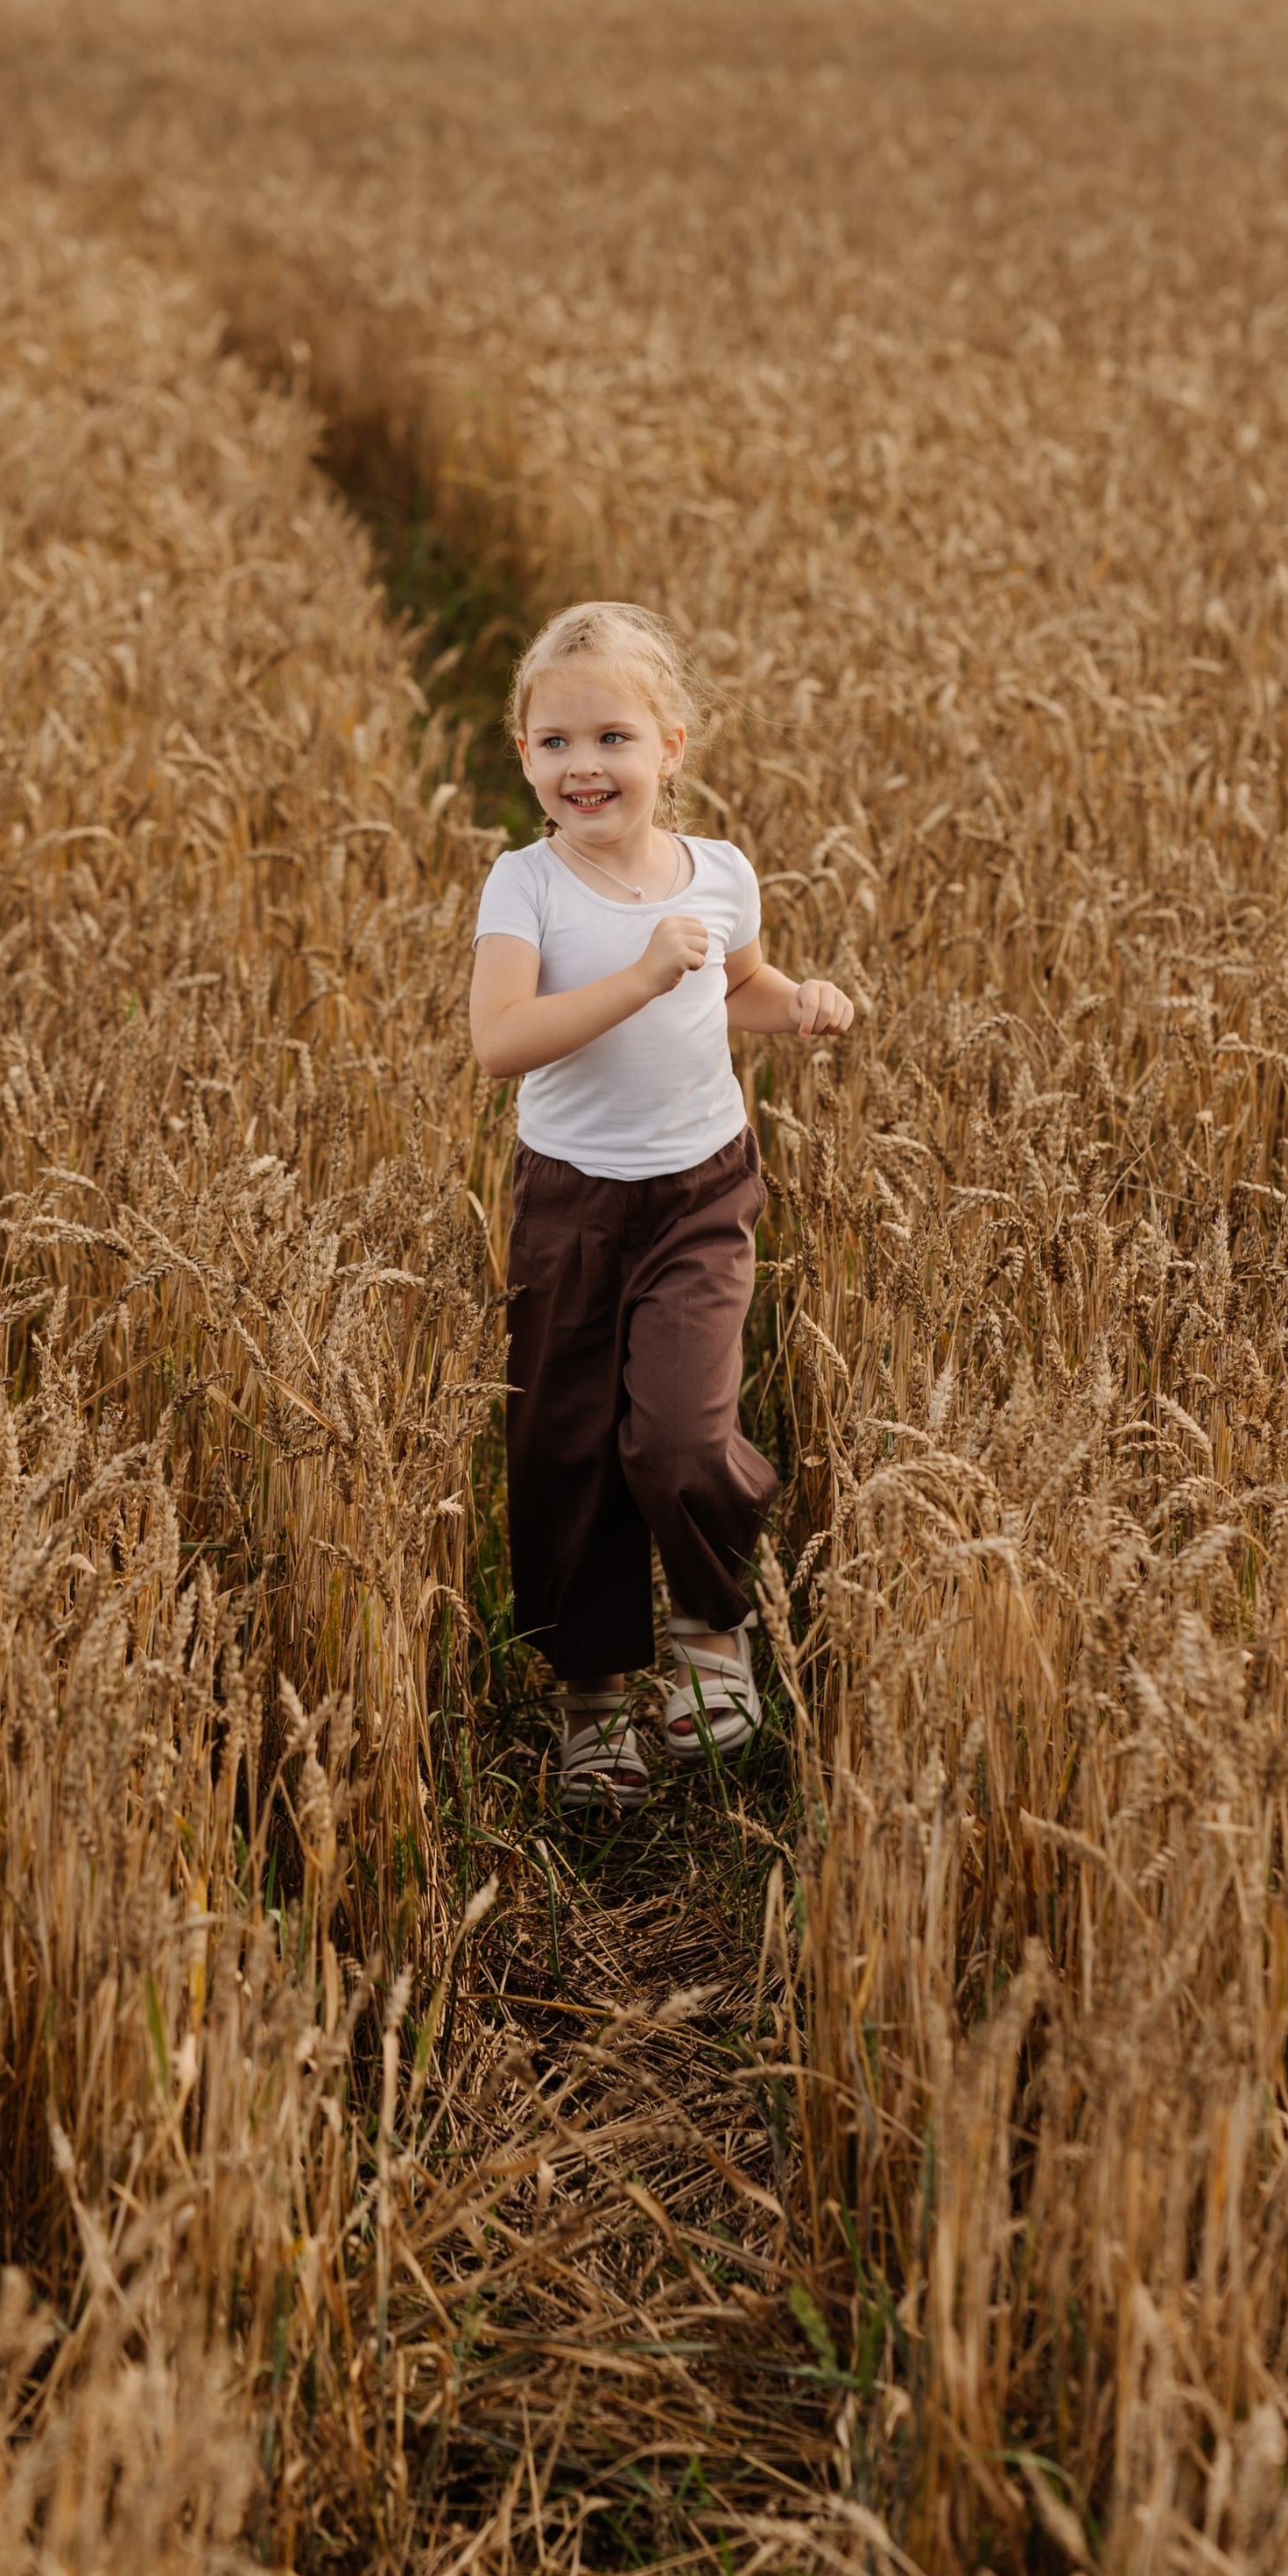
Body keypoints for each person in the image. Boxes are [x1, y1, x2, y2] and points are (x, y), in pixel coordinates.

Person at [469, 600, 855, 1807]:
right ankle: (593, 1701)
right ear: (523, 756)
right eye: (556, 743)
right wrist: (641, 974)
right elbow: (500, 1041)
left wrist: (798, 1003)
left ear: (671, 747)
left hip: (699, 1191)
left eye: (613, 738)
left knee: (677, 1437)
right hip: (571, 1205)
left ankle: (711, 1625)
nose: (584, 766)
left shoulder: (720, 871)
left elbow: (734, 987)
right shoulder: (525, 886)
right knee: (568, 1446)